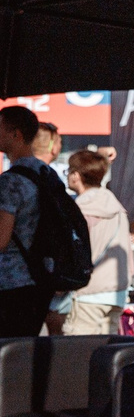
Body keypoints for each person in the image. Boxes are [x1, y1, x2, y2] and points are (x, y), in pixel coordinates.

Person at [62, 149, 134, 336]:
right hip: (117, 290)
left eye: (69, 171)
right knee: (104, 355)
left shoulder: (81, 209)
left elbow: (73, 252)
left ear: (76, 176)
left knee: (78, 354)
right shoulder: (116, 206)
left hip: (89, 292)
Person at [0, 106, 51, 336]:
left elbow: (1, 239)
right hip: (41, 277)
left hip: (10, 281)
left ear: (15, 134)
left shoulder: (10, 181)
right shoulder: (46, 173)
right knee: (23, 355)